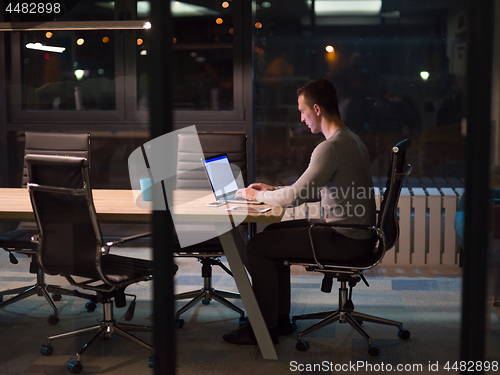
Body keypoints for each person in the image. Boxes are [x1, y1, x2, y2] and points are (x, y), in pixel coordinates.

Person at [222, 78, 377, 345]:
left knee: (259, 246)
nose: (302, 119)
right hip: (357, 235)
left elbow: (297, 196)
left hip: (345, 241)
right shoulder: (350, 139)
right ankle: (279, 320)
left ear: (317, 109)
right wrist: (273, 189)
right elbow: (314, 189)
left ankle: (264, 329)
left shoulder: (330, 148)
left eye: (303, 112)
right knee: (272, 233)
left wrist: (257, 195)